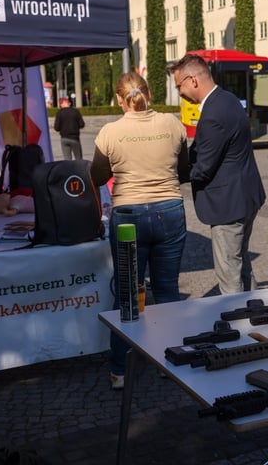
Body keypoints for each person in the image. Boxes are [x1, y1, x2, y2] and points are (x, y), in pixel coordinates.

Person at [90, 72, 190, 390]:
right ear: (148, 92)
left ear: (120, 100)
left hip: (128, 213)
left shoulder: (110, 132)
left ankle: (120, 370)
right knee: (168, 291)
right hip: (170, 211)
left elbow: (96, 176)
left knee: (127, 295)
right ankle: (170, 361)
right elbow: (185, 169)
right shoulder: (172, 124)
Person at [169, 54, 266, 295]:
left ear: (192, 80)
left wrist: (172, 175)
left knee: (229, 272)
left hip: (228, 206)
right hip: (245, 196)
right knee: (241, 262)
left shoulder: (213, 114)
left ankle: (238, 324)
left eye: (178, 85)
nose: (179, 92)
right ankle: (256, 311)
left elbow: (203, 168)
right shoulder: (228, 99)